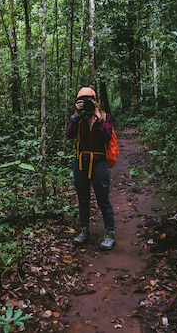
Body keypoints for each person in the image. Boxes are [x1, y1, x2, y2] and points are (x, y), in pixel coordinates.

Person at [65, 87, 116, 250]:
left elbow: (107, 137)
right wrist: (75, 116)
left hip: (99, 163)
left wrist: (98, 119)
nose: (87, 103)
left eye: (89, 100)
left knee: (103, 199)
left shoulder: (105, 117)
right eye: (83, 101)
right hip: (81, 162)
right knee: (83, 199)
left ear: (95, 101)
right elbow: (69, 135)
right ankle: (84, 230)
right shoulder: (78, 119)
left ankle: (110, 233)